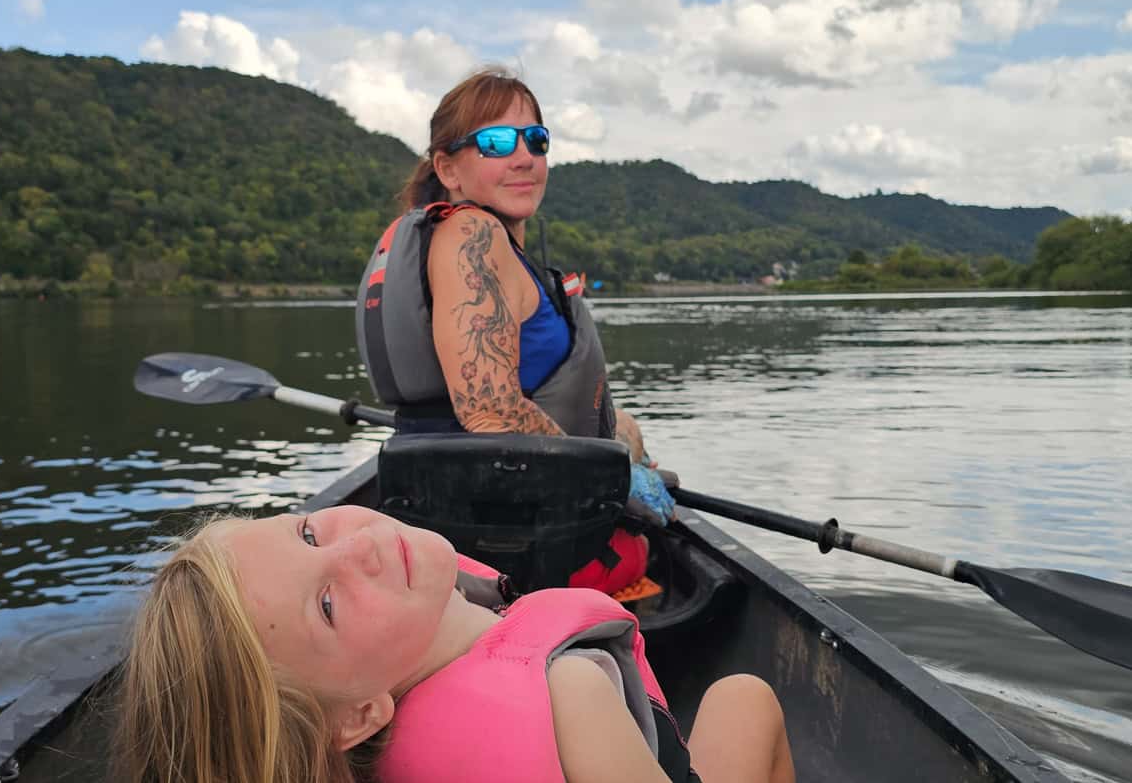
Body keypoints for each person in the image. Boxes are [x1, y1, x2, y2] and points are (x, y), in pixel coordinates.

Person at [114, 505, 796, 783]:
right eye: (327, 603)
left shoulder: (413, 661)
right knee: (745, 697)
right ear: (357, 717)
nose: (364, 544)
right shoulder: (571, 695)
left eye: (308, 533)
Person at [355, 66, 673, 592]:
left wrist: (620, 451)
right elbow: (491, 411)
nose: (524, 156)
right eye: (497, 142)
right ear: (448, 169)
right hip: (516, 545)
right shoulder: (472, 234)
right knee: (648, 546)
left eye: (536, 139)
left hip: (472, 509)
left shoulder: (462, 239)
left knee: (628, 428)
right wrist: (610, 480)